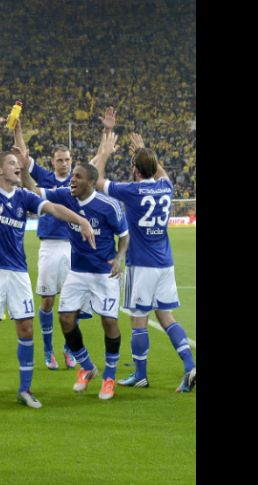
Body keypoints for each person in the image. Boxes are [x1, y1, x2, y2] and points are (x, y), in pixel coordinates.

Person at [0, 116, 95, 410]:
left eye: (18, 164)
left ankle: (25, 389)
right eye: (11, 163)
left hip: (19, 273)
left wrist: (80, 219)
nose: (17, 166)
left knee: (26, 330)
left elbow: (55, 208)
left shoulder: (23, 196)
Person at [92, 114, 196, 393]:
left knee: (138, 319)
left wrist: (104, 151)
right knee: (166, 317)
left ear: (136, 170)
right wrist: (143, 150)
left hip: (142, 264)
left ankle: (140, 374)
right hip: (165, 263)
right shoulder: (166, 187)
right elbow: (160, 172)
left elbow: (97, 180)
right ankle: (190, 366)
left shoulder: (132, 191)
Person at [21, 138, 129, 400]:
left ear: (91, 183)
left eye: (78, 177)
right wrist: (24, 169)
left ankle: (109, 377)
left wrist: (119, 257)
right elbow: (34, 191)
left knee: (109, 321)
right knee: (65, 318)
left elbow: (124, 235)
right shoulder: (65, 196)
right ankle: (87, 367)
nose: (72, 180)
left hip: (104, 273)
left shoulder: (109, 206)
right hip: (77, 272)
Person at [24, 141, 78, 370]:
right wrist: (17, 130)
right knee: (48, 300)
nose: (64, 164)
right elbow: (25, 161)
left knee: (71, 302)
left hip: (73, 246)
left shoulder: (78, 180)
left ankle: (69, 348)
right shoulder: (45, 178)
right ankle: (48, 351)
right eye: (59, 160)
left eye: (67, 160)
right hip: (49, 245)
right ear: (53, 161)